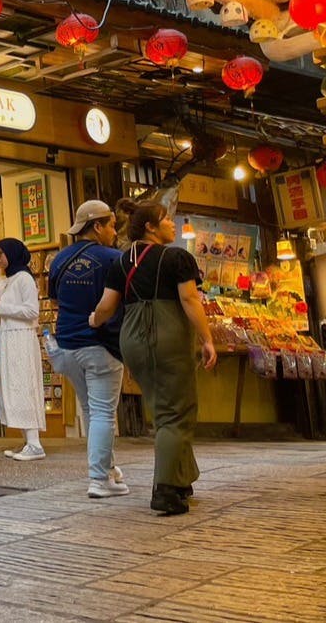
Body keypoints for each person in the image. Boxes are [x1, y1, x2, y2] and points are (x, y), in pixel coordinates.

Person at [90, 199, 218, 516]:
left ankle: (181, 478)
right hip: (168, 332)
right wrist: (208, 339)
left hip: (132, 337)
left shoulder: (120, 262)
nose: (172, 224)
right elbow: (189, 299)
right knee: (176, 412)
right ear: (150, 226)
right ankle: (165, 491)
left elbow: (107, 306)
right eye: (166, 219)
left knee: (164, 409)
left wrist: (94, 319)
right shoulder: (177, 257)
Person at [47, 200, 128, 497]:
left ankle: (107, 470)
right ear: (97, 226)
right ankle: (97, 479)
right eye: (112, 225)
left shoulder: (58, 260)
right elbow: (119, 300)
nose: (114, 231)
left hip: (66, 346)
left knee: (92, 411)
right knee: (104, 413)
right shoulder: (112, 258)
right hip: (100, 345)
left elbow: (55, 302)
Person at [0, 238, 46, 461]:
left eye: (1, 253)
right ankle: (28, 441)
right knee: (12, 388)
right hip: (6, 340)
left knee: (23, 386)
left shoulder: (24, 279)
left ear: (12, 254)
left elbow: (32, 311)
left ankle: (35, 444)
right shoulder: (4, 280)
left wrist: (0, 306)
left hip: (21, 339)